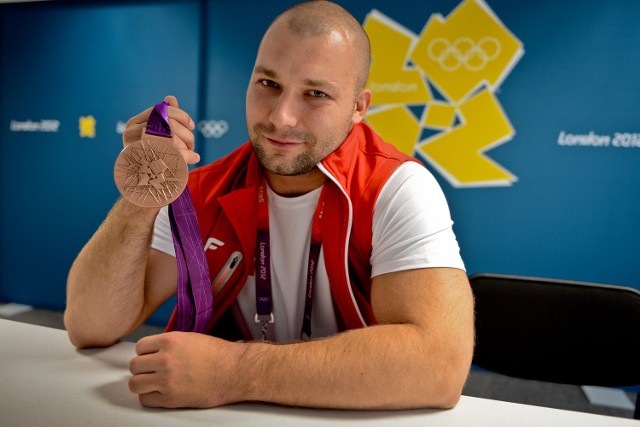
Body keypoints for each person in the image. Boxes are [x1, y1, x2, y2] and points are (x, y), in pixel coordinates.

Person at [65, 0, 474, 410]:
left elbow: (439, 366)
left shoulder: (396, 187)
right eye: (268, 84)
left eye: (316, 94)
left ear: (358, 108)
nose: (282, 118)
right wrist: (143, 193)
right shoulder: (204, 190)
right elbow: (89, 325)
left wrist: (235, 371)